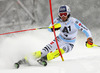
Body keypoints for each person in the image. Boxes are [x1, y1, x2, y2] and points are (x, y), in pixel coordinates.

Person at [14, 5, 93, 68]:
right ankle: (26, 59)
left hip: (69, 43)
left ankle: (45, 59)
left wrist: (89, 38)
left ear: (68, 13)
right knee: (44, 50)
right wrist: (54, 28)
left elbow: (86, 30)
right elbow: (49, 28)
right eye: (61, 14)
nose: (63, 16)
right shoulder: (57, 20)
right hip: (59, 39)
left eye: (64, 14)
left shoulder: (74, 21)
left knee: (60, 51)